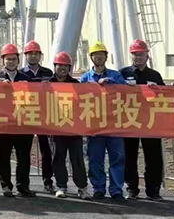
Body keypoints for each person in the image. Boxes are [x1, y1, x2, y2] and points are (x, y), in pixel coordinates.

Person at [79, 41, 129, 201]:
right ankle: (98, 188)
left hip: (114, 125)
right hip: (95, 126)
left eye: (101, 54)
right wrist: (95, 86)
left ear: (106, 57)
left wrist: (113, 85)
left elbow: (128, 93)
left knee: (117, 158)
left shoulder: (116, 76)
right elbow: (78, 97)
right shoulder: (85, 78)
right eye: (96, 55)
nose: (99, 57)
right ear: (91, 58)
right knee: (95, 159)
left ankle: (116, 190)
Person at [120, 39, 165, 200]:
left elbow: (167, 96)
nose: (138, 57)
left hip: (150, 121)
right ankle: (132, 188)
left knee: (153, 157)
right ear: (131, 56)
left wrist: (157, 91)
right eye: (135, 54)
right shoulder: (122, 73)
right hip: (129, 120)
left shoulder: (155, 75)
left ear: (147, 55)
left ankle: (153, 191)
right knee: (129, 156)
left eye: (141, 54)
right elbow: (113, 93)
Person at [0, 43, 36, 197]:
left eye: (13, 59)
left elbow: (35, 99)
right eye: (8, 59)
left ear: (18, 60)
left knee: (24, 158)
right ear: (3, 60)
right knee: (4, 157)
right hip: (4, 125)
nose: (11, 62)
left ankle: (23, 186)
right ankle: (6, 186)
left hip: (23, 124)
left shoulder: (26, 78)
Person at [48, 52, 89, 200]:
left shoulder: (75, 84)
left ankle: (82, 187)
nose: (63, 68)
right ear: (55, 66)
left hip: (73, 128)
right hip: (56, 128)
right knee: (59, 157)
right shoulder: (47, 84)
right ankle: (61, 186)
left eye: (66, 66)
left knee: (77, 159)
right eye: (60, 65)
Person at [22, 40, 55, 193]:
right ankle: (24, 183)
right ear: (26, 56)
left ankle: (48, 181)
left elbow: (59, 91)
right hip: (27, 116)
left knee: (46, 151)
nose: (33, 56)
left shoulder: (48, 73)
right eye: (30, 54)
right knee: (24, 152)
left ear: (40, 55)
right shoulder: (21, 74)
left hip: (44, 116)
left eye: (36, 53)